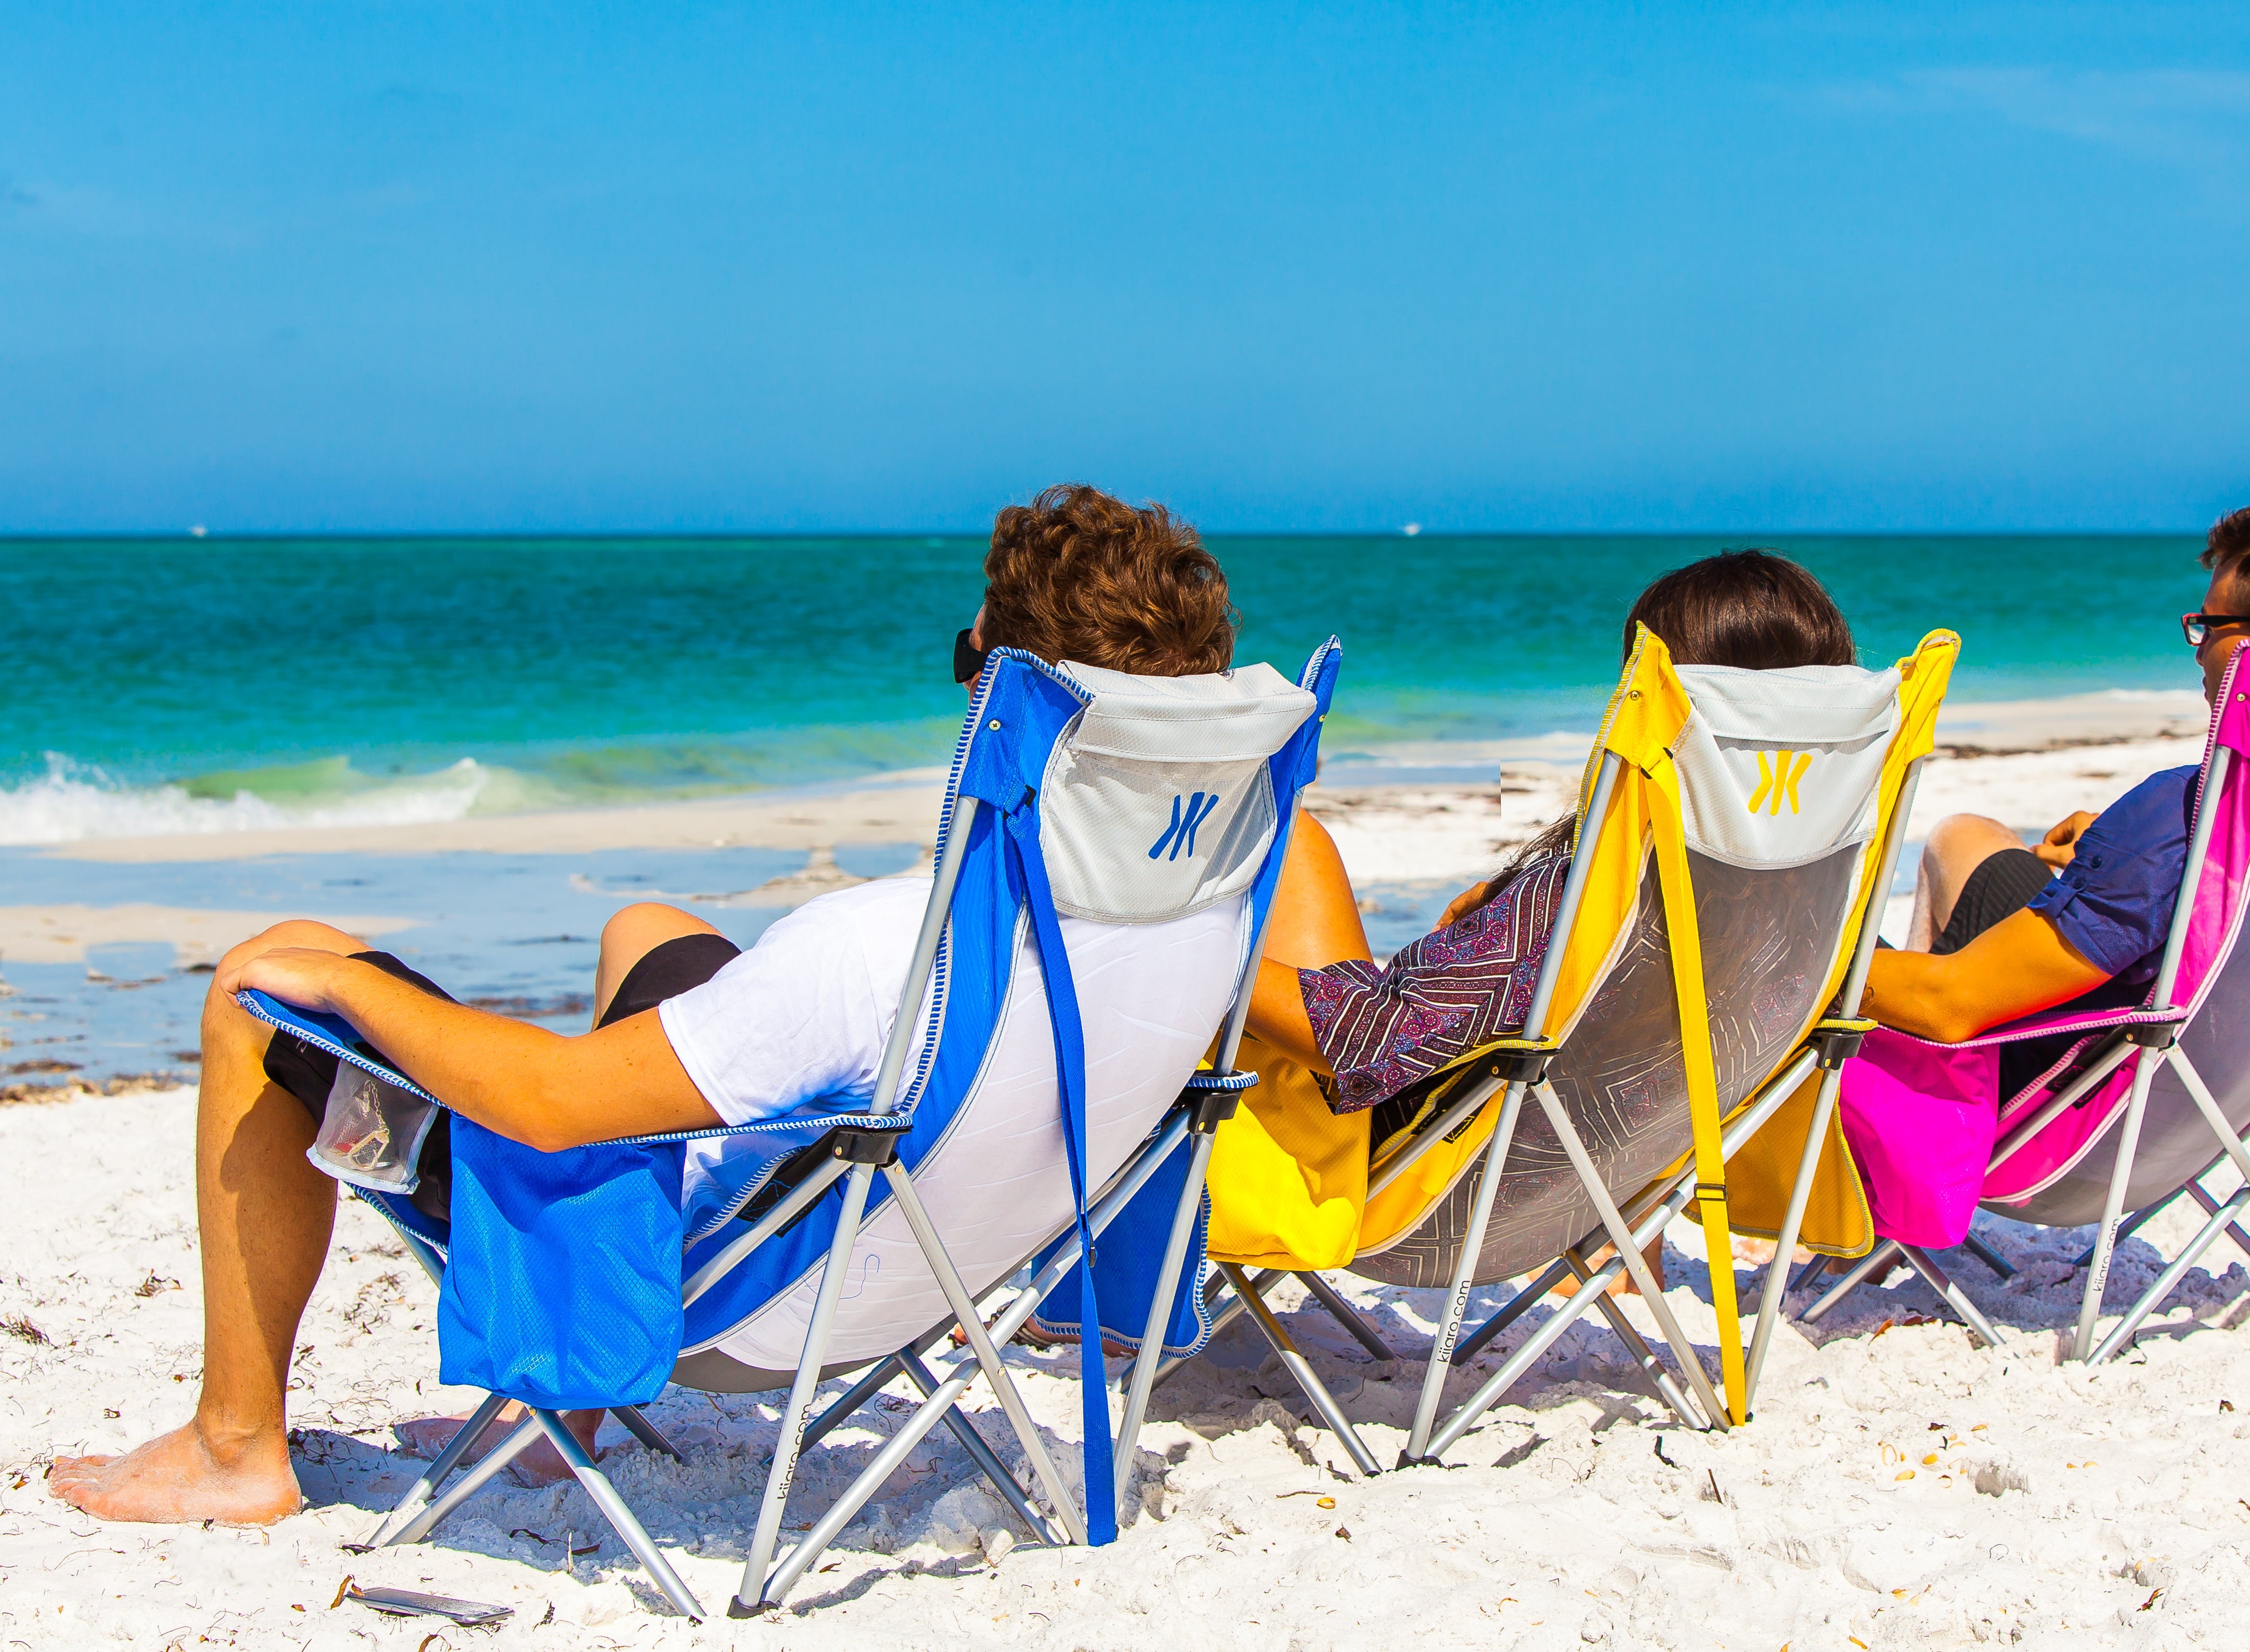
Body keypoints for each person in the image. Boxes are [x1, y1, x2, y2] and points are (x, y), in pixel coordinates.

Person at [49, 485, 1239, 1525]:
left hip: (714, 1295)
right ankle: (556, 1417)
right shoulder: (1206, 921)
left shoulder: (881, 950)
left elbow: (554, 1107)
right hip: (930, 1264)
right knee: (650, 930)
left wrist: (351, 983)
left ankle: (234, 1446)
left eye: (966, 658)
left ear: (1010, 703)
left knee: (267, 976)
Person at [1240, 549, 1859, 1197]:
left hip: (1403, 1173)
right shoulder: (1813, 905)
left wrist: (1203, 961)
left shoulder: (1588, 904)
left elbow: (1367, 1044)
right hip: (1598, 1182)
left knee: (1293, 838)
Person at [1862, 506, 2250, 1084]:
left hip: (2057, 1095)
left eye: (2210, 626)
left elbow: (1949, 1004)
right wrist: (2121, 854)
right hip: (2222, 1085)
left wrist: (1786, 967)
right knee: (1963, 836)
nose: (2197, 650)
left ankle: (1910, 1095)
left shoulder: (2179, 817)